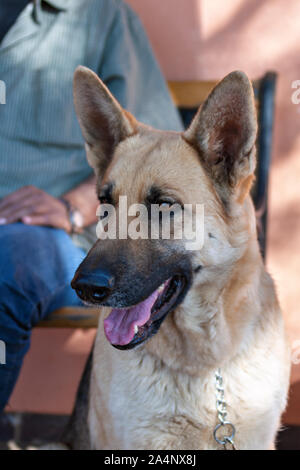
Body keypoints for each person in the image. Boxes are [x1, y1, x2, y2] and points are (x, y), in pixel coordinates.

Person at [0, 0, 183, 412]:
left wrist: (74, 207)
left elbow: (155, 148)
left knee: (6, 267)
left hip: (53, 235)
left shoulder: (103, 17)